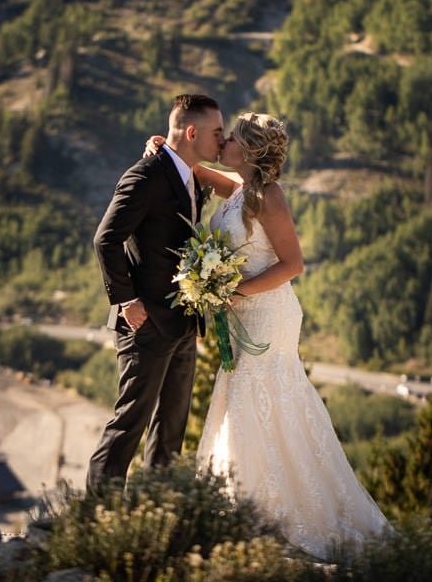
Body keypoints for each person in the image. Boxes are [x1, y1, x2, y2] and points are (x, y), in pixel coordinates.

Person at [147, 111, 390, 559]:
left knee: (259, 397)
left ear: (251, 149)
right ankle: (245, 503)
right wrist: (165, 147)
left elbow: (292, 264)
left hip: (266, 315)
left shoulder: (268, 196)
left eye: (233, 138)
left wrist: (234, 290)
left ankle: (270, 511)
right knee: (247, 400)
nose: (224, 143)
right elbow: (196, 170)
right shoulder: (240, 190)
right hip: (242, 315)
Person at [88, 92, 225, 493]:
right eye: (217, 132)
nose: (222, 140)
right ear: (192, 131)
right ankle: (97, 515)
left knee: (170, 430)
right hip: (145, 322)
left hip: (182, 324)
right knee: (130, 422)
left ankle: (158, 510)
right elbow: (105, 240)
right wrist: (127, 302)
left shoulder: (190, 176)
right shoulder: (146, 175)